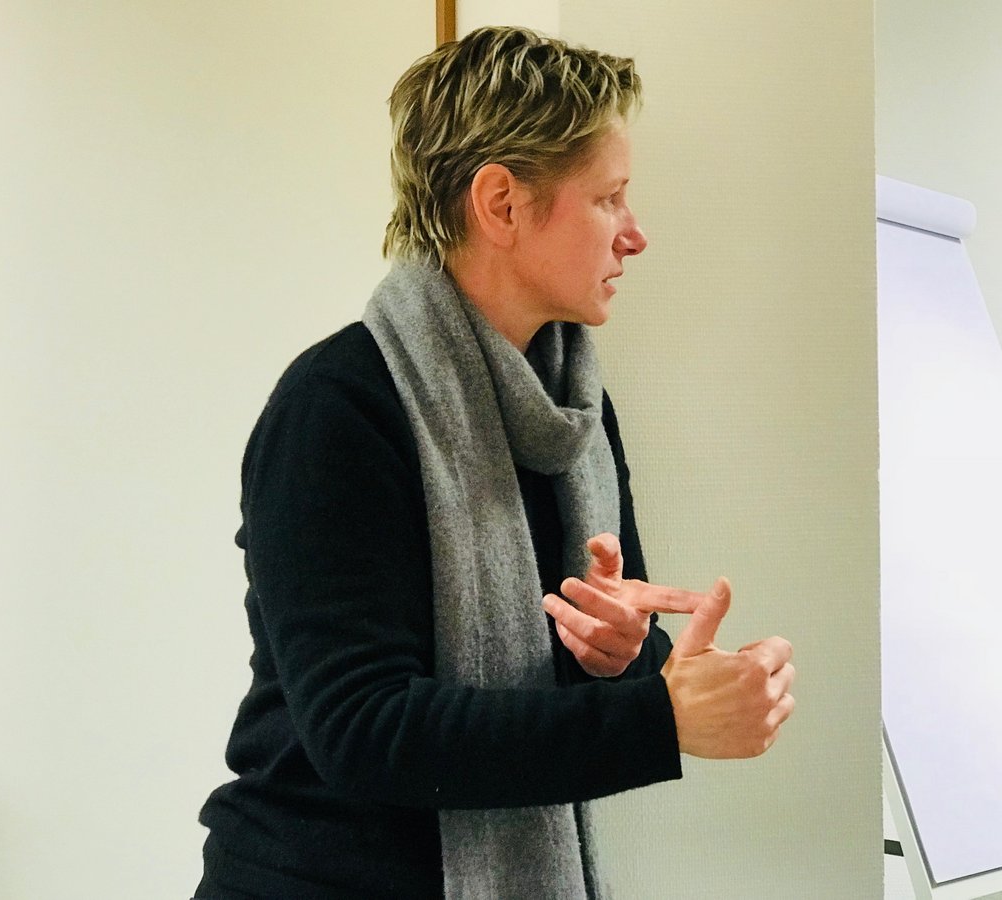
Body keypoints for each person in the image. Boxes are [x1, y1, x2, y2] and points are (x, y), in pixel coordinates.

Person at [194, 25, 795, 900]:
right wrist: (656, 719)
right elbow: (361, 729)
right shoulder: (336, 408)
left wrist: (621, 655)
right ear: (502, 204)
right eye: (609, 199)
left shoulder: (575, 407)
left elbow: (585, 676)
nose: (635, 236)